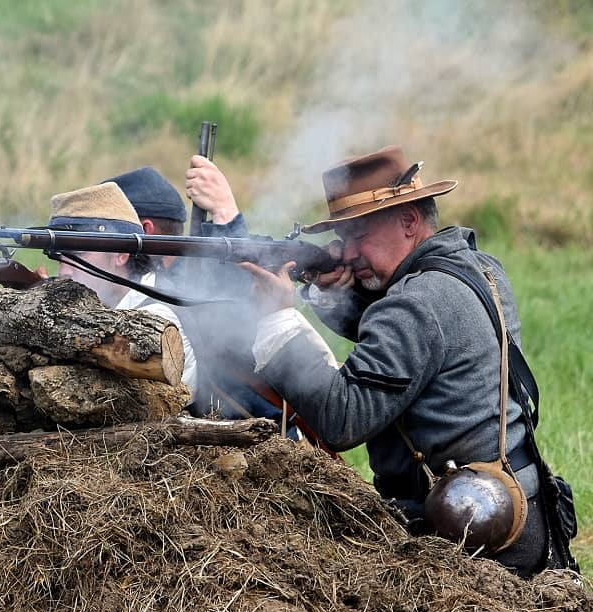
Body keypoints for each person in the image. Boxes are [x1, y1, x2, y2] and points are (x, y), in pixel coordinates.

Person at [244, 145, 576, 576]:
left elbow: (343, 418)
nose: (346, 254)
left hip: (470, 546)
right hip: (518, 516)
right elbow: (408, 348)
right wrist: (336, 292)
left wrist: (277, 321)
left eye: (359, 235)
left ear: (408, 220)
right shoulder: (477, 268)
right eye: (343, 241)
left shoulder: (415, 303)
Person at [44, 181, 198, 399]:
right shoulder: (111, 301)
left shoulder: (156, 316)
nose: (64, 271)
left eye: (76, 255)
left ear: (120, 255)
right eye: (59, 257)